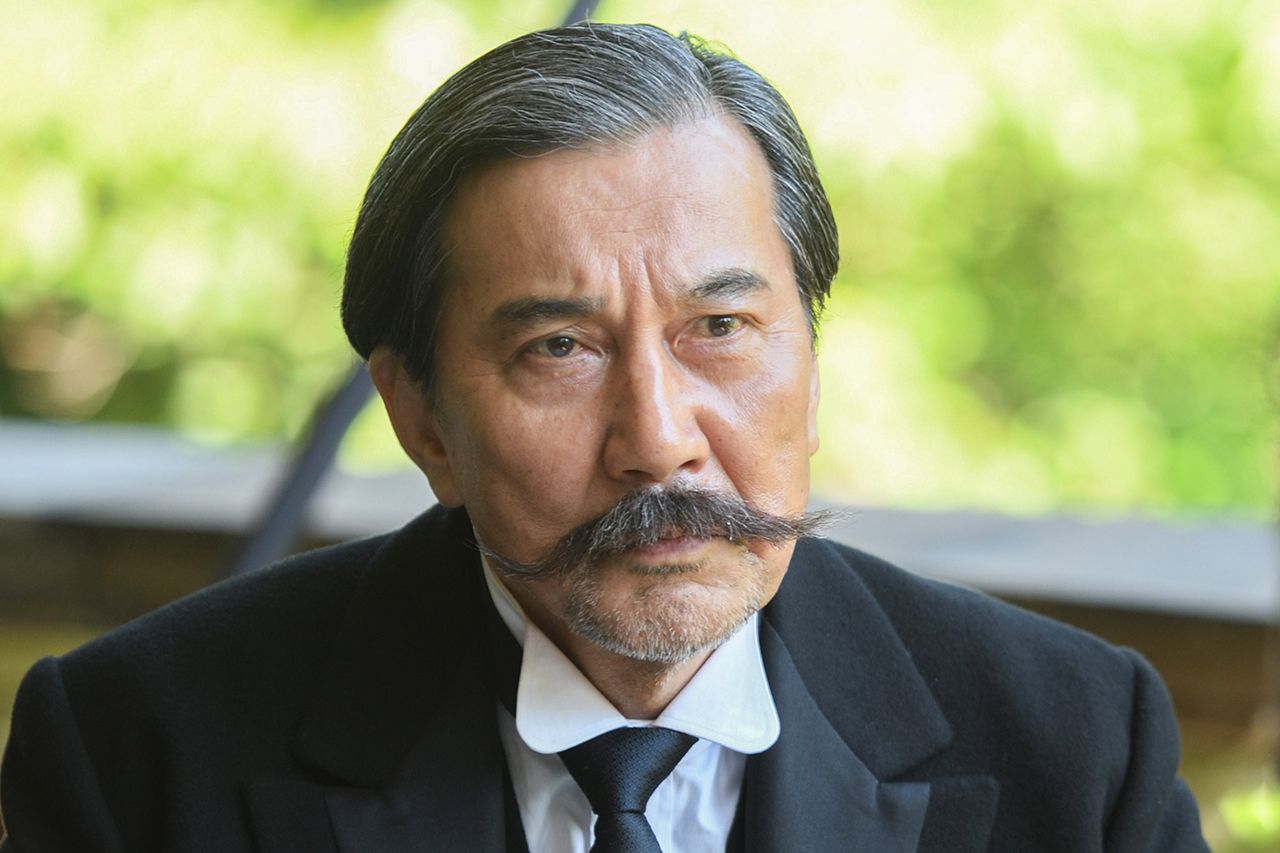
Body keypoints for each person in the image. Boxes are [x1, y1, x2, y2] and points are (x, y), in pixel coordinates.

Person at [0, 22, 1207, 852]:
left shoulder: (1073, 745)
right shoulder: (136, 750)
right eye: (558, 349)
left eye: (719, 327)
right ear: (419, 418)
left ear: (811, 361)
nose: (658, 441)